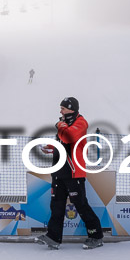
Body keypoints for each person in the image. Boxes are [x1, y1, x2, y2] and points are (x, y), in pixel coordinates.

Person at [37, 97, 104, 250]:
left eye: (63, 108)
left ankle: (96, 236)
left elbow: (69, 137)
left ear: (71, 109)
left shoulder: (80, 122)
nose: (60, 111)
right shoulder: (64, 125)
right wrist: (51, 147)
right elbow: (63, 143)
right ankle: (53, 238)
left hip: (73, 173)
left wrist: (60, 124)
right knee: (57, 205)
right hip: (59, 172)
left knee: (81, 205)